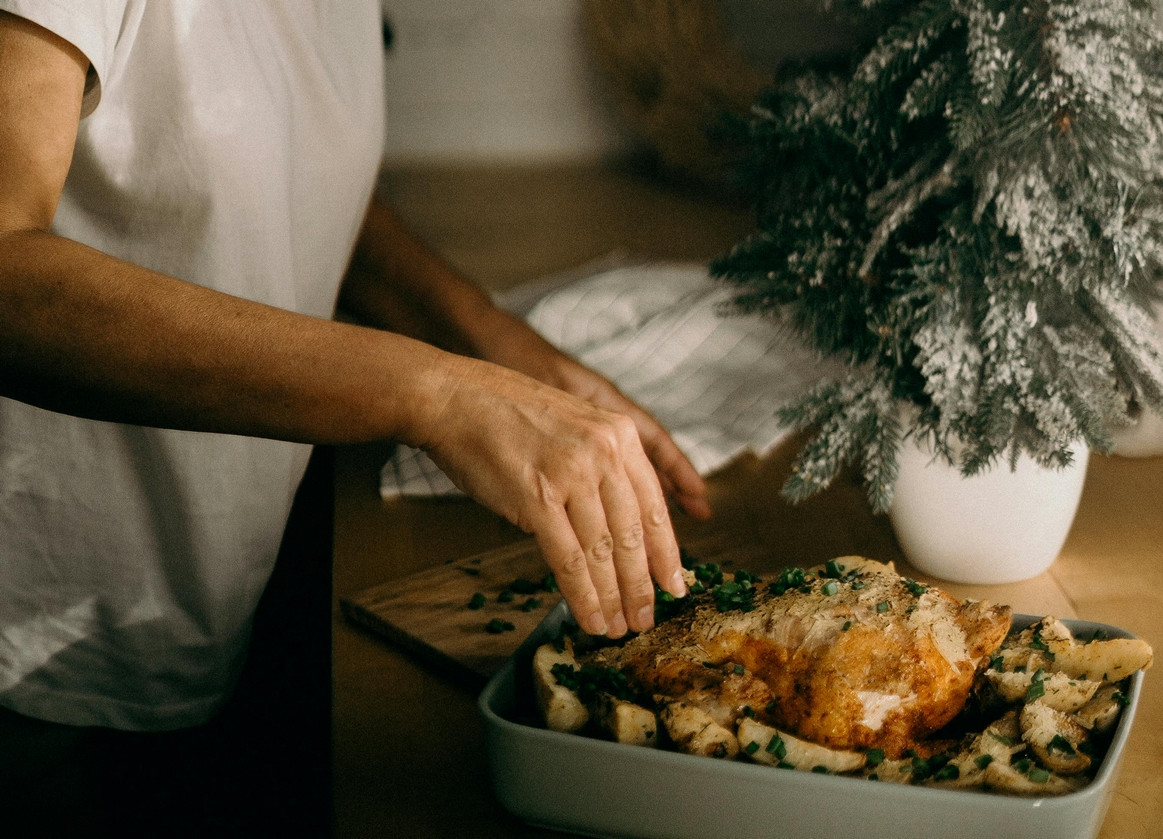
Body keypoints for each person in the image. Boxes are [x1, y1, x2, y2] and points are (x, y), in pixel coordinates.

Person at [0, 2, 710, 834]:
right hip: (29, 643)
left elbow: (277, 163)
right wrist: (438, 394)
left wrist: (494, 347)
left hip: (195, 613)